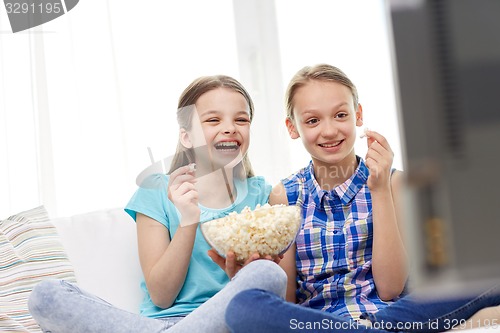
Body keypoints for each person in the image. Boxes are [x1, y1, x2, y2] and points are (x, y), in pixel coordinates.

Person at [224, 64, 500, 332]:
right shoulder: (284, 196)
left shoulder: (392, 183)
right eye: (312, 120)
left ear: (358, 115)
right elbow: (286, 301)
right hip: (317, 322)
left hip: (390, 316)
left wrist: (379, 190)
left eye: (340, 115)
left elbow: (391, 287)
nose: (330, 130)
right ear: (292, 127)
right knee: (242, 306)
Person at [28, 75, 287, 333]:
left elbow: (279, 301)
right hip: (156, 325)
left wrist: (241, 278)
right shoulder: (156, 191)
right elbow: (162, 296)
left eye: (241, 119)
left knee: (269, 275)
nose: (230, 128)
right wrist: (188, 220)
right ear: (186, 138)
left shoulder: (264, 197)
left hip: (227, 321)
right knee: (46, 295)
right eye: (213, 120)